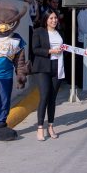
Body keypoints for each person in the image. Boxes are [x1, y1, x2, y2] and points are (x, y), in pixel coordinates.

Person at [29, 8, 64, 141]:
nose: (54, 20)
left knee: (52, 99)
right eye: (51, 18)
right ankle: (40, 128)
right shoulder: (38, 31)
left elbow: (63, 48)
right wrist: (50, 51)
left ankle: (50, 126)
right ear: (45, 19)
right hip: (43, 67)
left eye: (55, 18)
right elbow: (35, 49)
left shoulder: (60, 32)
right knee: (44, 96)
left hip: (57, 67)